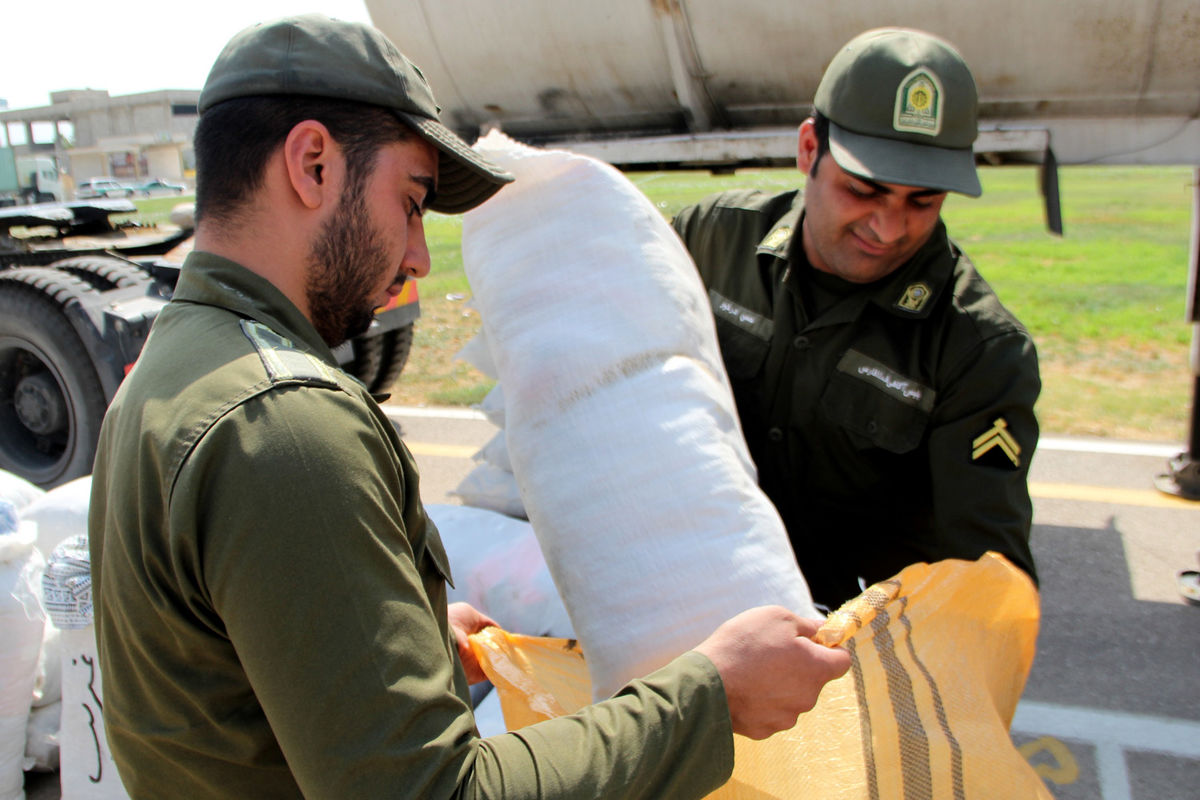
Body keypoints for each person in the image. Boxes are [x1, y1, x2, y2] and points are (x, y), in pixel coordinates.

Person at [87, 14, 849, 800]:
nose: (417, 255)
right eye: (411, 202)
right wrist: (709, 695)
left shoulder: (175, 367)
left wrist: (398, 642)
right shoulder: (286, 426)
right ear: (313, 163)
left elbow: (219, 684)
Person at [672, 27, 1040, 610]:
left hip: (848, 654)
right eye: (864, 190)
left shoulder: (977, 348)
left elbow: (984, 580)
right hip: (691, 599)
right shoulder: (710, 241)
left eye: (924, 201)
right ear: (809, 151)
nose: (889, 228)